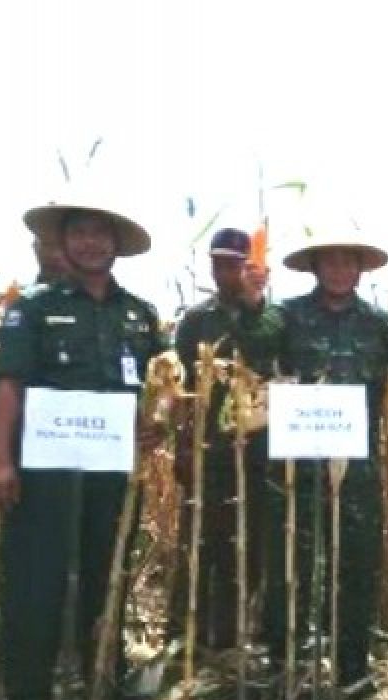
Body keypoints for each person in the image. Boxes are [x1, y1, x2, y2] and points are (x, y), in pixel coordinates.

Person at [0, 201, 166, 700]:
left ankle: (102, 682)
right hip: (44, 469)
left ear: (116, 245)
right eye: (80, 233)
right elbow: (7, 385)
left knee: (107, 569)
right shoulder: (34, 308)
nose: (91, 243)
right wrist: (1, 461)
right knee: (35, 576)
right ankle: (28, 695)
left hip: (111, 470)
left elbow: (158, 384)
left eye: (101, 234)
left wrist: (153, 423)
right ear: (63, 243)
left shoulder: (139, 313)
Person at [263, 234, 388, 696]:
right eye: (329, 262)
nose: (338, 270)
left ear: (359, 270)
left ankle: (352, 668)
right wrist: (255, 299)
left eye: (347, 262)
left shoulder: (378, 324)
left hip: (356, 469)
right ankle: (286, 667)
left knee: (355, 567)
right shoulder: (286, 316)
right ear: (315, 268)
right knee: (291, 567)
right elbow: (253, 349)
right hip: (296, 469)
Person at [168, 228, 284, 655]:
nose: (225, 273)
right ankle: (186, 635)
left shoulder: (273, 320)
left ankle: (233, 636)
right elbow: (178, 386)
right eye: (218, 263)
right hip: (208, 448)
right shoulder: (196, 321)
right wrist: (182, 445)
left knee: (249, 544)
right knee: (200, 540)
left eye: (235, 264)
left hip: (258, 453)